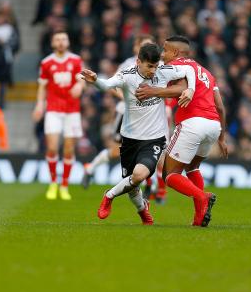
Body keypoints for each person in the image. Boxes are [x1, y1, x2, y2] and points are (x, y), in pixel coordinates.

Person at [78, 43, 196, 225]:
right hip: (130, 139)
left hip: (154, 139)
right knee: (133, 187)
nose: (153, 71)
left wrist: (191, 89)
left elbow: (189, 69)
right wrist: (95, 81)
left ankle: (109, 196)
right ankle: (143, 212)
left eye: (156, 66)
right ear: (138, 62)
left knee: (139, 175)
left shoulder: (163, 72)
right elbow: (107, 85)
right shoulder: (127, 76)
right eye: (150, 66)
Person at [135, 35, 228, 227]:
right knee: (192, 168)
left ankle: (203, 196)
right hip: (213, 125)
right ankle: (198, 217)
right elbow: (220, 106)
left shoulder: (177, 66)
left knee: (170, 174)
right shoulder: (206, 72)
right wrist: (222, 138)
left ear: (176, 52)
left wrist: (152, 92)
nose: (162, 54)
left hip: (193, 123)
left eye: (165, 50)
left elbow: (181, 89)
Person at [81, 34, 155, 188]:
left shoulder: (157, 66)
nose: (149, 48)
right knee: (116, 151)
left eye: (151, 44)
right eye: (146, 44)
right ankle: (91, 168)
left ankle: (151, 185)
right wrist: (127, 98)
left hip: (146, 115)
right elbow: (113, 86)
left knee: (148, 147)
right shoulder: (127, 64)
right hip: (126, 113)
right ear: (137, 47)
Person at [32, 31, 85, 201]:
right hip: (53, 109)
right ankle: (53, 182)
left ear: (68, 42)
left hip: (72, 110)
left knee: (69, 149)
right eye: (57, 39)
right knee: (52, 147)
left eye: (64, 39)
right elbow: (42, 86)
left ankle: (64, 185)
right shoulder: (46, 62)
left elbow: (82, 78)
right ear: (53, 43)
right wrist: (40, 104)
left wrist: (80, 86)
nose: (61, 42)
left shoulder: (76, 60)